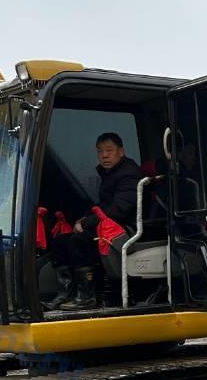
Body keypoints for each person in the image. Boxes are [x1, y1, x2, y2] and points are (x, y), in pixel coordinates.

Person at [49, 132, 141, 311]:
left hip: (125, 227)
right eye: (100, 151)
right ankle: (66, 293)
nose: (104, 155)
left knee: (80, 240)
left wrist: (85, 224)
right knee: (60, 241)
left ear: (121, 152)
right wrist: (84, 218)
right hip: (108, 224)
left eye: (109, 150)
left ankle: (86, 297)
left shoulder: (129, 175)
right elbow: (103, 206)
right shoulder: (110, 173)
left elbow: (119, 210)